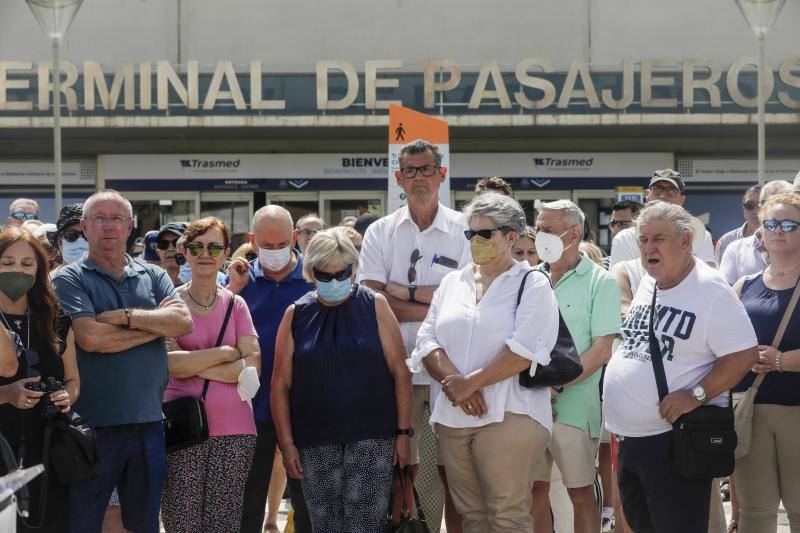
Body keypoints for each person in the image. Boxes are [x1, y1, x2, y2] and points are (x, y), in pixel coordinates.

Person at [603, 201, 759, 533]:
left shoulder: (710, 288)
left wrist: (696, 394)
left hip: (673, 439)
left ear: (685, 241)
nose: (648, 248)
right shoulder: (650, 282)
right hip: (631, 439)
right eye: (642, 240)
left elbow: (743, 354)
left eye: (658, 239)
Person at [409, 192, 558, 532]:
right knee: (471, 516)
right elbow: (426, 340)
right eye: (470, 234)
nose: (475, 241)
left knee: (507, 515)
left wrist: (470, 383)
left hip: (511, 413)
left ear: (511, 237)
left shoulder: (532, 283)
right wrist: (456, 384)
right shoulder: (452, 282)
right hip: (453, 415)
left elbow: (524, 350)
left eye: (484, 233)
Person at [52, 189, 193, 533]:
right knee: (84, 523)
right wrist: (153, 326)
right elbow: (91, 338)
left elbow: (183, 322)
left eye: (117, 219)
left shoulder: (154, 275)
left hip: (149, 423)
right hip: (91, 427)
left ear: (130, 226)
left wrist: (126, 316)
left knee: (144, 525)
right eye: (99, 218)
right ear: (85, 227)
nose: (108, 226)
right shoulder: (68, 278)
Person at [359, 138, 472, 533]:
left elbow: (471, 300)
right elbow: (372, 300)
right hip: (394, 370)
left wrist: (401, 293)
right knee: (401, 467)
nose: (419, 177)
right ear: (398, 178)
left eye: (427, 169)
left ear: (441, 175)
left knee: (455, 474)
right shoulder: (380, 231)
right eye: (411, 170)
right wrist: (439, 302)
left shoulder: (466, 231)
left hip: (450, 370)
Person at [272, 227, 412, 533]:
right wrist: (286, 444)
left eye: (343, 273)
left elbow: (401, 372)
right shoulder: (296, 314)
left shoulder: (375, 304)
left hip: (372, 439)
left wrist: (403, 433)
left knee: (364, 526)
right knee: (324, 527)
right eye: (325, 275)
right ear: (311, 273)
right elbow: (280, 385)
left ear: (353, 269)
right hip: (314, 441)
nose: (334, 281)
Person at [161, 217, 260, 532]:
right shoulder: (169, 304)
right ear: (185, 252)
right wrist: (224, 354)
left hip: (235, 430)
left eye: (215, 246)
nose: (206, 253)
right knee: (182, 523)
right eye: (197, 246)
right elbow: (169, 365)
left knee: (223, 524)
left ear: (226, 252)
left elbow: (252, 367)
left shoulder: (237, 305)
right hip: (182, 428)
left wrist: (192, 361)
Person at [531, 200, 621, 533]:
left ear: (574, 234)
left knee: (581, 494)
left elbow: (600, 351)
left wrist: (553, 388)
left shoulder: (601, 282)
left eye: (548, 229)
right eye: (538, 228)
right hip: (530, 408)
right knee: (535, 491)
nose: (541, 235)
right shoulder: (530, 279)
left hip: (573, 410)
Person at [227, 205, 314, 533]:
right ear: (252, 241)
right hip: (252, 407)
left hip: (306, 407)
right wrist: (233, 287)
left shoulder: (317, 276)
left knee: (308, 500)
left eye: (283, 245)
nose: (275, 252)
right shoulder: (240, 279)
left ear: (295, 238)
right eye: (267, 245)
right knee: (248, 501)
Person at [0, 227, 77, 532]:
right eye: (6, 262)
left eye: (26, 263)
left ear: (39, 269)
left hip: (47, 452)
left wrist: (66, 396)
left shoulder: (54, 317)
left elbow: (73, 380)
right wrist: (6, 394)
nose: (16, 269)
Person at [732, 192, 800, 533]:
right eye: (771, 224)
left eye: (789, 224)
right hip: (750, 411)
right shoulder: (743, 285)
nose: (778, 231)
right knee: (755, 513)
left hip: (797, 411)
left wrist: (780, 361)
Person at [609, 169, 716, 267]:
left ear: (682, 199)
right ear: (648, 195)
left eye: (671, 191)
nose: (663, 196)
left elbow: (708, 276)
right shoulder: (625, 239)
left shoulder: (700, 235)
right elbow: (618, 283)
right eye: (657, 189)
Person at [720, 180, 793, 285]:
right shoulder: (735, 250)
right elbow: (724, 295)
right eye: (770, 202)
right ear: (760, 208)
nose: (778, 208)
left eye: (786, 203)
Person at [715, 184, 762, 265]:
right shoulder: (725, 242)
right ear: (743, 207)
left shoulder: (777, 240)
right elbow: (718, 275)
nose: (756, 211)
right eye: (750, 205)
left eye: (761, 205)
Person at [46, 203, 88, 270]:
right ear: (59, 241)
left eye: (87, 235)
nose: (80, 240)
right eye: (71, 235)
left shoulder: (109, 278)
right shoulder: (48, 280)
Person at [156, 222, 188, 286]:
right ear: (158, 253)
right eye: (164, 244)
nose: (170, 248)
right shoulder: (152, 286)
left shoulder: (205, 282)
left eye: (177, 242)